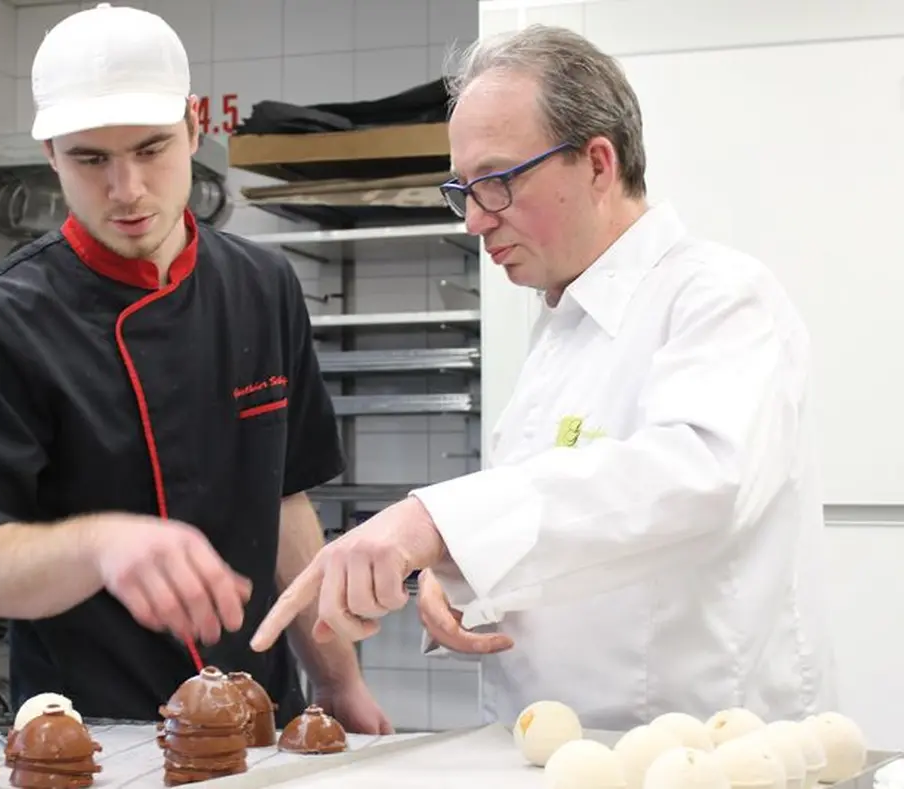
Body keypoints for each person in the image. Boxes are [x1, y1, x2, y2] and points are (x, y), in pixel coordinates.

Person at [251, 25, 836, 730]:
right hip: (556, 746)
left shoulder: (720, 295)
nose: (473, 220)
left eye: (496, 182)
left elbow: (700, 479)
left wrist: (437, 522)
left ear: (596, 163)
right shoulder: (559, 328)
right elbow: (567, 533)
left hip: (698, 747)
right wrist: (465, 586)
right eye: (461, 189)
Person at [0, 3, 391, 734]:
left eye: (151, 148)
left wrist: (338, 680)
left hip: (260, 722)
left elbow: (286, 503)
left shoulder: (263, 287)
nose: (128, 188)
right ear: (49, 151)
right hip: (90, 738)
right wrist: (105, 543)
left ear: (195, 128)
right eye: (91, 159)